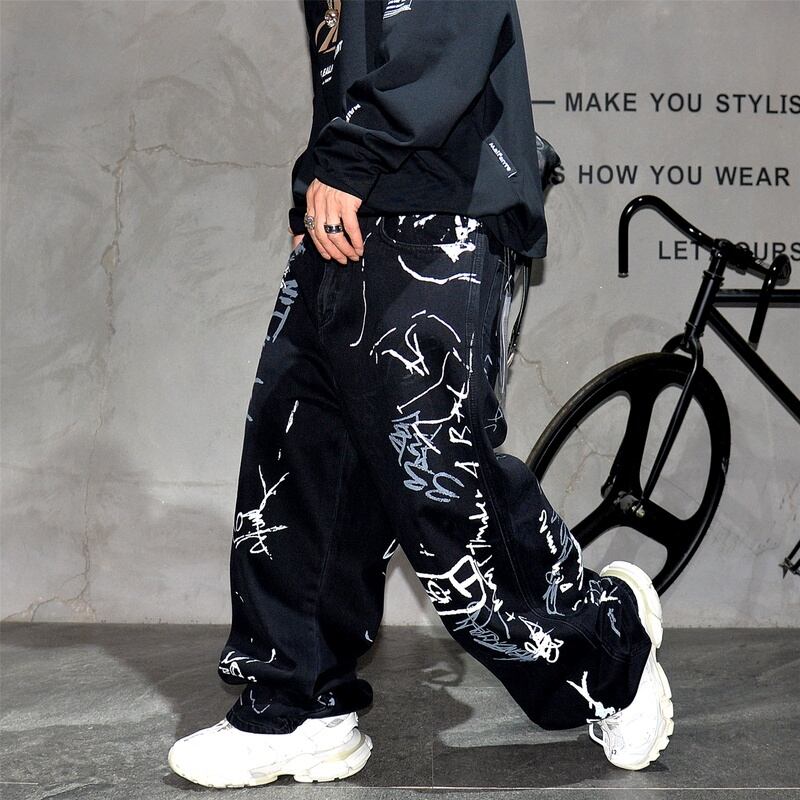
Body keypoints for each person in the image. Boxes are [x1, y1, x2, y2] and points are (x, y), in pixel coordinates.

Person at [167, 0, 673, 788]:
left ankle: (608, 648)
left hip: (439, 204)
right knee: (298, 461)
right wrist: (316, 185)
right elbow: (346, 63)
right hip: (344, 211)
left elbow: (449, 26)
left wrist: (351, 158)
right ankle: (299, 704)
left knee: (438, 487)